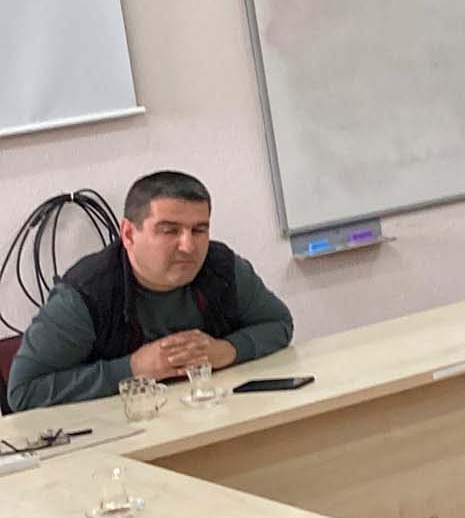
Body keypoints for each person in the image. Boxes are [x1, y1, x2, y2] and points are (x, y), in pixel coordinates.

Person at [6, 171, 293, 410]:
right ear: (129, 234)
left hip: (213, 417)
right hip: (122, 437)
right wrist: (132, 370)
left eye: (199, 230)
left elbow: (278, 323)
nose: (188, 246)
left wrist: (227, 351)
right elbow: (23, 391)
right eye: (169, 230)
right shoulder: (86, 294)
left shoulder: (222, 267)